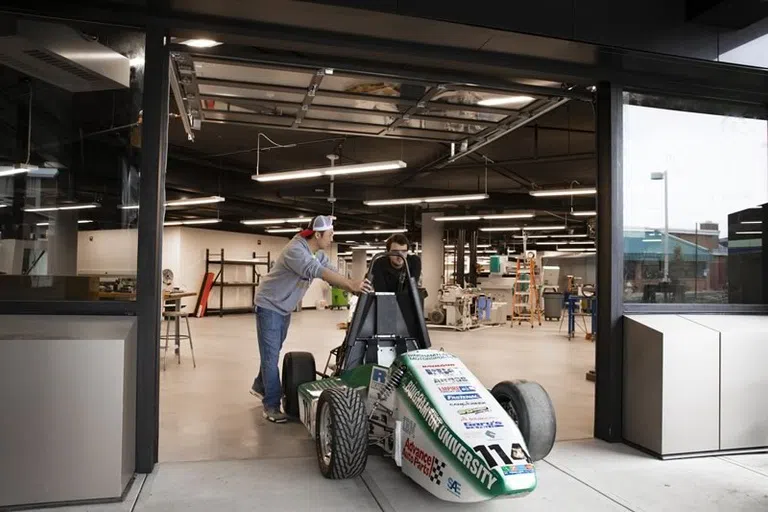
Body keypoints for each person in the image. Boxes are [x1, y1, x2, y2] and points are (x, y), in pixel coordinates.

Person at [250, 215, 373, 423]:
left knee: (272, 351)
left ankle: (259, 386)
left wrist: (354, 285)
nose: (332, 238)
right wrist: (350, 285)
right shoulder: (295, 251)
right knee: (271, 357)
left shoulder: (316, 253)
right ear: (317, 234)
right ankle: (271, 405)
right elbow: (317, 271)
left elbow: (331, 272)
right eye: (330, 234)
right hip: (269, 305)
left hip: (283, 307)